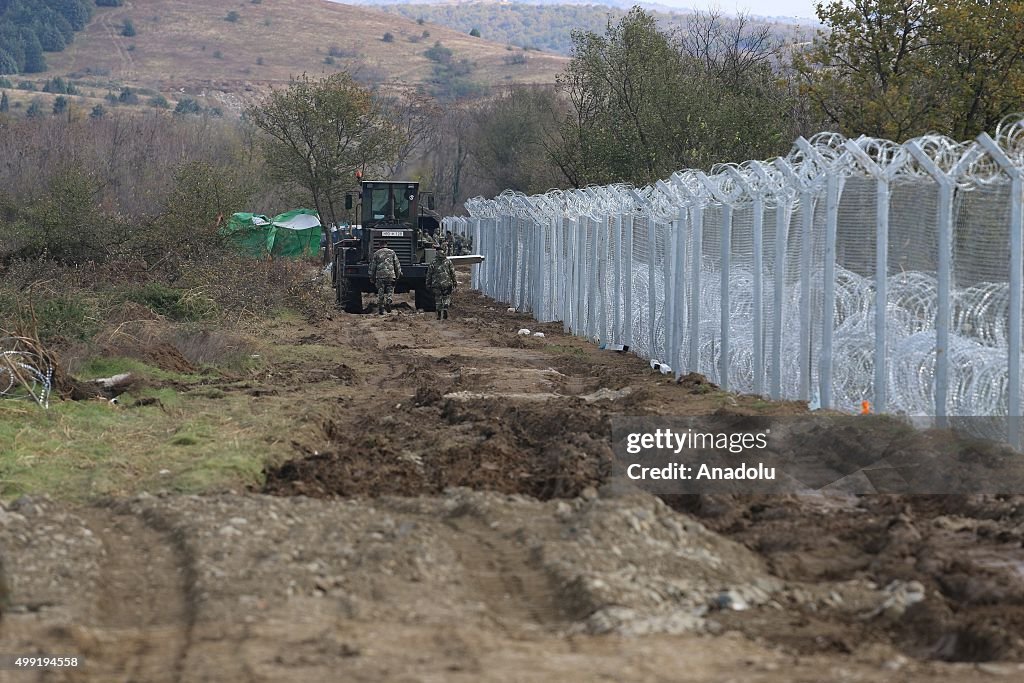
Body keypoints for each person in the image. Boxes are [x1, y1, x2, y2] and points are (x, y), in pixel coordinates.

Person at [369, 240, 402, 315]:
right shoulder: (392, 252)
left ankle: (381, 307)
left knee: (380, 291)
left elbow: (373, 267)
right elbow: (397, 265)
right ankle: (388, 300)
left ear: (379, 245)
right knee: (390, 289)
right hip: (390, 275)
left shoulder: (376, 254)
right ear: (386, 244)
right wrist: (398, 275)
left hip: (380, 276)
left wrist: (372, 277)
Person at [425, 247, 457, 320]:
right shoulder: (448, 262)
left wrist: (428, 284)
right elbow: (452, 273)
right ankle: (445, 306)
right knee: (447, 296)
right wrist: (454, 282)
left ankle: (439, 313)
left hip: (436, 284)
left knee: (438, 298)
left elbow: (429, 274)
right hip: (447, 283)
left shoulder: (433, 262)